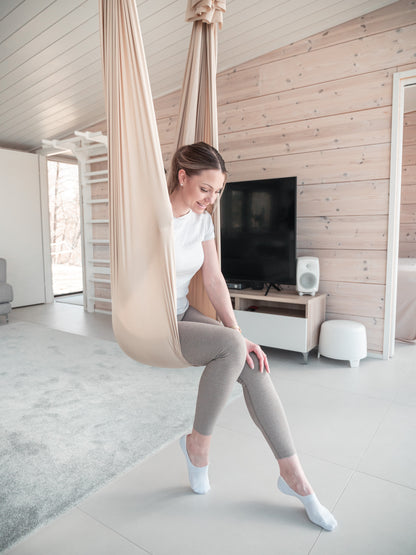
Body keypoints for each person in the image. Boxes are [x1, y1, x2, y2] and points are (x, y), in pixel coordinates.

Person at [168, 142, 337, 532]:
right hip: (152, 320)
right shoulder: (155, 217)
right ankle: (198, 447)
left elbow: (213, 278)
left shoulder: (202, 221)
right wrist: (232, 338)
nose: (211, 200)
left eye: (218, 192)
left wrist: (238, 330)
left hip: (180, 312)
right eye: (205, 189)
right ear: (182, 177)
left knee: (251, 358)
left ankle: (294, 477)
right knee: (232, 347)